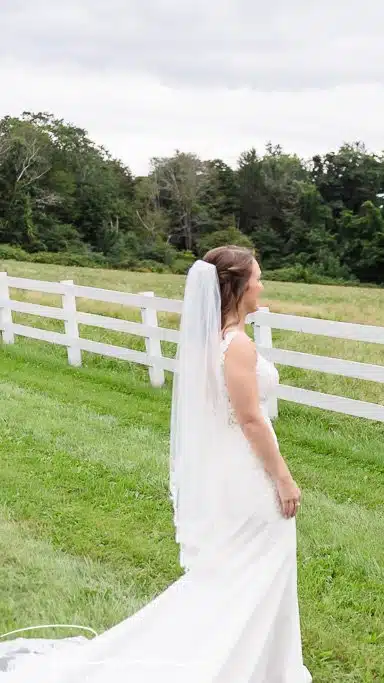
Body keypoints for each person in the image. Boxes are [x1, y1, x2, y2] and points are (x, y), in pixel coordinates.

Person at [0, 246, 311, 681]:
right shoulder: (236, 346)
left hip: (228, 469)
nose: (263, 286)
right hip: (249, 474)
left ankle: (261, 664)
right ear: (238, 287)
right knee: (255, 570)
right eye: (258, 278)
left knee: (236, 573)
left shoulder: (210, 343)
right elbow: (250, 419)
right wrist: (284, 478)